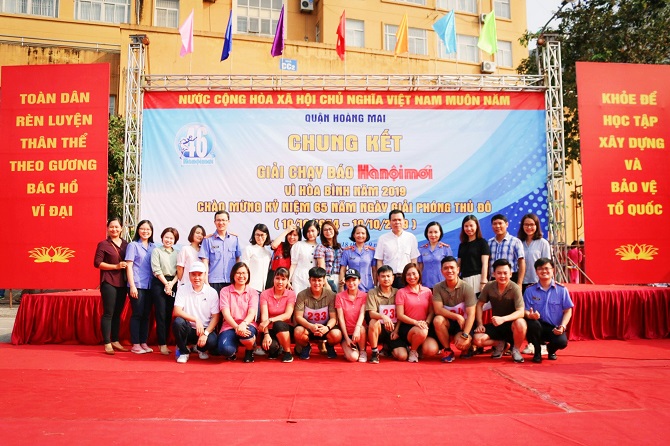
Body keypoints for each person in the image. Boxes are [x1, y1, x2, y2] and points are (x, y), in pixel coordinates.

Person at [473, 259, 527, 363]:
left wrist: (503, 319)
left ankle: (516, 350)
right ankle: (500, 344)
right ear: (494, 274)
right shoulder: (489, 286)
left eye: (505, 273)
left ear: (510, 274)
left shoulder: (515, 288)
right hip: (496, 325)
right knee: (477, 339)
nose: (502, 276)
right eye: (499, 273)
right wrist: (480, 324)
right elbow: (479, 304)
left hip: (512, 326)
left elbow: (521, 312)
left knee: (521, 323)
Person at [524, 258, 574, 363]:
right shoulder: (529, 290)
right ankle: (537, 351)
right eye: (540, 269)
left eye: (547, 268)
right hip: (537, 326)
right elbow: (525, 310)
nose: (544, 271)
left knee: (562, 342)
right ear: (536, 271)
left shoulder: (562, 290)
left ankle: (551, 350)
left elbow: (568, 310)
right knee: (532, 324)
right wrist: (530, 315)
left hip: (554, 327)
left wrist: (563, 326)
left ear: (553, 270)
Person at [171, 261, 220, 364]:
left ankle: (200, 349)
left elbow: (215, 317)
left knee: (212, 341)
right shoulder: (182, 289)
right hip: (188, 327)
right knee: (178, 322)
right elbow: (177, 311)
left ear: (205, 275)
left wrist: (206, 334)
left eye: (200, 274)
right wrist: (196, 320)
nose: (197, 278)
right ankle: (183, 351)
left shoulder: (212, 292)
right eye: (193, 274)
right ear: (189, 275)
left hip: (204, 329)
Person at [93, 217, 129, 355]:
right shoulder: (103, 244)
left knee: (117, 313)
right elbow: (97, 263)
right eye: (111, 227)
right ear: (108, 229)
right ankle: (107, 342)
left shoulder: (126, 244)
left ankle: (115, 340)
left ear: (121, 228)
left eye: (117, 227)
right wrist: (116, 266)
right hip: (108, 282)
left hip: (122, 283)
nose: (114, 229)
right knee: (108, 313)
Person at [432, 256, 477, 362]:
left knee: (462, 345)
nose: (449, 271)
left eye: (452, 268)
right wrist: (457, 316)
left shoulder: (467, 288)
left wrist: (465, 335)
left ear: (458, 269)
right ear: (441, 271)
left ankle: (470, 346)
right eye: (446, 268)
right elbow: (438, 310)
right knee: (437, 320)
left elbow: (471, 314)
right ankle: (447, 350)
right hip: (448, 323)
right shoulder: (437, 287)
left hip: (463, 325)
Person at [293, 267, 342, 360]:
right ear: (309, 280)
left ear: (324, 281)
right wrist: (310, 326)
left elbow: (333, 318)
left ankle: (329, 346)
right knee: (298, 332)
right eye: (314, 280)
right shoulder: (302, 295)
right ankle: (306, 346)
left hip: (325, 328)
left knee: (337, 334)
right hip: (308, 327)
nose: (317, 283)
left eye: (319, 280)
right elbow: (298, 317)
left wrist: (327, 328)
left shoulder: (331, 295)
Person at [395, 263, 439, 363]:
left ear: (419, 274)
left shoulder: (427, 291)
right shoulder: (401, 292)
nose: (412, 277)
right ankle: (413, 351)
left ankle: (419, 347)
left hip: (424, 325)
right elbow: (400, 315)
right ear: (404, 276)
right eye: (408, 274)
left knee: (431, 350)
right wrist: (416, 322)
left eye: (414, 274)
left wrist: (426, 323)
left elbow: (431, 311)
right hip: (408, 326)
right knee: (421, 331)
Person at [217, 262, 259, 363]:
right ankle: (233, 349)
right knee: (225, 349)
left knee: (248, 336)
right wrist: (237, 327)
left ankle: (249, 350)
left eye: (244, 273)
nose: (241, 276)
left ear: (248, 275)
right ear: (233, 274)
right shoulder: (225, 291)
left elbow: (252, 312)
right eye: (238, 273)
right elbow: (225, 313)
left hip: (247, 325)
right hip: (229, 326)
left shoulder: (253, 292)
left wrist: (243, 324)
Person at [125, 219, 156, 355]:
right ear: (138, 230)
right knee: (137, 314)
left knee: (146, 315)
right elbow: (129, 266)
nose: (145, 231)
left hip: (150, 285)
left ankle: (143, 342)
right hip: (137, 284)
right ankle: (135, 344)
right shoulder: (133, 245)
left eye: (148, 229)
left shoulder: (153, 247)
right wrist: (132, 285)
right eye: (143, 229)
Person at [366, 265, 406, 363]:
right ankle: (374, 352)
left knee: (403, 356)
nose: (386, 279)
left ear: (393, 278)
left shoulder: (399, 292)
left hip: (394, 330)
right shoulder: (372, 293)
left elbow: (401, 314)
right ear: (378, 278)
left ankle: (388, 348)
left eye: (388, 276)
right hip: (379, 329)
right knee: (373, 322)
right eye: (383, 276)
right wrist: (383, 317)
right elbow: (371, 313)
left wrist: (396, 330)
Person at [150, 227, 179, 355]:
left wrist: (171, 284)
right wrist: (166, 284)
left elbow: (179, 271)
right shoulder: (156, 251)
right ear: (162, 238)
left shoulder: (177, 253)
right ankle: (162, 344)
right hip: (159, 282)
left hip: (173, 283)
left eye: (171, 238)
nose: (168, 240)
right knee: (160, 314)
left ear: (175, 240)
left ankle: (165, 341)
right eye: (166, 237)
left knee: (168, 314)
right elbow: (156, 269)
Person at [258, 267, 296, 363]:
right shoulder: (265, 294)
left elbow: (287, 315)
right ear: (273, 279)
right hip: (269, 329)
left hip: (285, 328)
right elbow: (264, 316)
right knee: (271, 349)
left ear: (287, 281)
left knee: (278, 324)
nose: (280, 282)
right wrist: (266, 334)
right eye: (277, 278)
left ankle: (287, 352)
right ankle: (278, 347)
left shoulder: (291, 294)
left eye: (283, 279)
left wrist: (270, 320)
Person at [375, 210, 419, 289]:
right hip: (388, 278)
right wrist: (380, 279)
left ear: (404, 221)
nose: (397, 222)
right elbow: (379, 261)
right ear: (390, 222)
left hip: (406, 278)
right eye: (394, 220)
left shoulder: (411, 237)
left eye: (399, 220)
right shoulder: (383, 238)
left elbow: (414, 260)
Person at [200, 210, 241, 294]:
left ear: (228, 221)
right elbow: (205, 262)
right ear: (214, 222)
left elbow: (238, 260)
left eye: (223, 220)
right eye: (218, 220)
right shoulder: (208, 240)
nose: (221, 222)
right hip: (214, 282)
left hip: (231, 281)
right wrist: (206, 282)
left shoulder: (234, 239)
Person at [335, 268, 368, 362]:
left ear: (359, 281)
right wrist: (346, 338)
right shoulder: (339, 296)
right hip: (347, 333)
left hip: (360, 332)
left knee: (361, 328)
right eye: (348, 280)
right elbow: (341, 318)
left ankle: (362, 350)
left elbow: (362, 314)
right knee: (353, 358)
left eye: (354, 280)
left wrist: (357, 329)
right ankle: (350, 349)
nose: (351, 283)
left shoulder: (364, 296)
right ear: (345, 282)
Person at [488, 214, 525, 288]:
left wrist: (519, 283)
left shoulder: (515, 241)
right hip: (493, 279)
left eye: (500, 223)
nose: (497, 226)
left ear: (507, 224)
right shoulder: (489, 243)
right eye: (495, 224)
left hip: (511, 279)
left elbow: (521, 263)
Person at [517, 213, 551, 292]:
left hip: (537, 281)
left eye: (532, 225)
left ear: (537, 226)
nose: (529, 227)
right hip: (520, 282)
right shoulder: (518, 242)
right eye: (526, 225)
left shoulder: (543, 243)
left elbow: (546, 264)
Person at [457, 215, 490, 293]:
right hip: (464, 279)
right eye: (466, 226)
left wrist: (483, 281)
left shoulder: (482, 243)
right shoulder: (462, 245)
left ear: (477, 226)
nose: (469, 228)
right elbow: (459, 264)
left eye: (471, 226)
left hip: (477, 278)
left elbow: (485, 264)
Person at [338, 225, 376, 292]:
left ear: (366, 235)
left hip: (367, 287)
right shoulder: (347, 251)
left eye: (363, 233)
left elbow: (374, 270)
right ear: (353, 235)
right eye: (358, 233)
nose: (360, 235)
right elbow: (342, 270)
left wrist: (375, 285)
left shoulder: (371, 251)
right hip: (351, 286)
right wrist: (341, 286)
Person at [417, 221, 453, 289]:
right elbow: (420, 269)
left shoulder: (445, 248)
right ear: (427, 233)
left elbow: (450, 267)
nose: (433, 235)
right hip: (425, 285)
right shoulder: (422, 249)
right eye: (430, 232)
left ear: (440, 233)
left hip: (442, 285)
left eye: (436, 232)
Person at [289, 219, 320, 294]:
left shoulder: (320, 247)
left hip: (314, 280)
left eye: (312, 231)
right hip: (299, 279)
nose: (310, 233)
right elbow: (293, 264)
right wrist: (288, 280)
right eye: (308, 231)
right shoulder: (298, 245)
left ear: (318, 231)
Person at [242, 223, 272, 292]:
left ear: (266, 235)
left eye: (262, 235)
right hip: (251, 287)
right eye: (257, 235)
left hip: (263, 289)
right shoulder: (249, 249)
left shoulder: (268, 253)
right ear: (254, 235)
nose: (260, 237)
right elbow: (244, 268)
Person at [314, 220, 342, 292]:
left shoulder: (339, 248)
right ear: (322, 233)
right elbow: (321, 266)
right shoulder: (321, 247)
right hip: (328, 278)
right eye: (325, 230)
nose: (328, 231)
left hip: (340, 279)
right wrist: (325, 283)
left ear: (334, 230)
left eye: (330, 229)